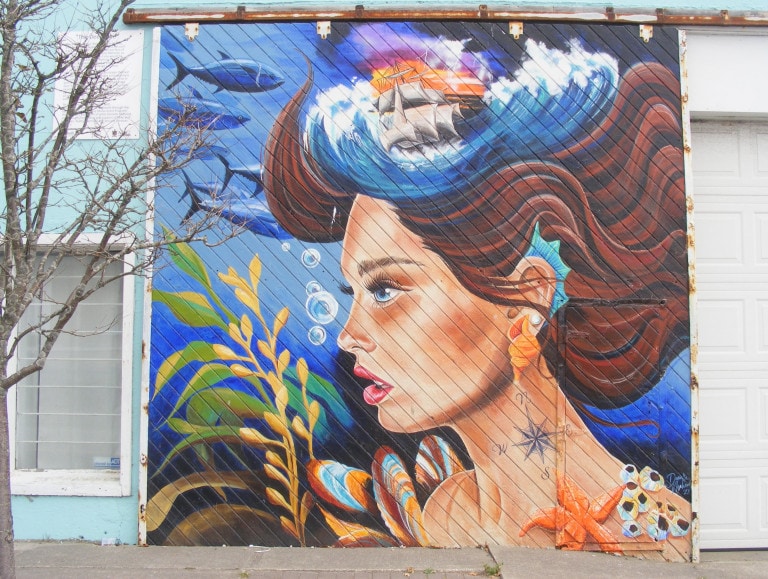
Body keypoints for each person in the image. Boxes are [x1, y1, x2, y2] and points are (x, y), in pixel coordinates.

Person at [262, 35, 691, 559]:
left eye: (386, 289)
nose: (348, 336)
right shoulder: (449, 511)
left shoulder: (657, 539)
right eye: (353, 292)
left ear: (529, 298)